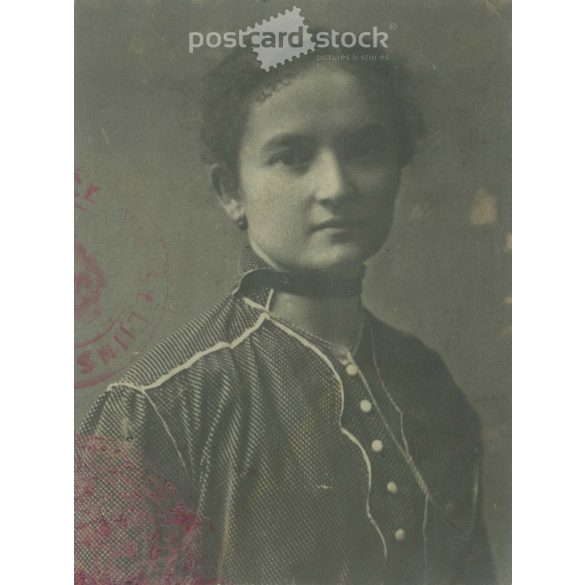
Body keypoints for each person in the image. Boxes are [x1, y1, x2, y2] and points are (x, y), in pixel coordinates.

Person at [75, 36, 495, 585]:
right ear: (231, 190)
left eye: (365, 150)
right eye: (293, 158)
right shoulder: (159, 406)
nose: (337, 187)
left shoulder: (427, 379)